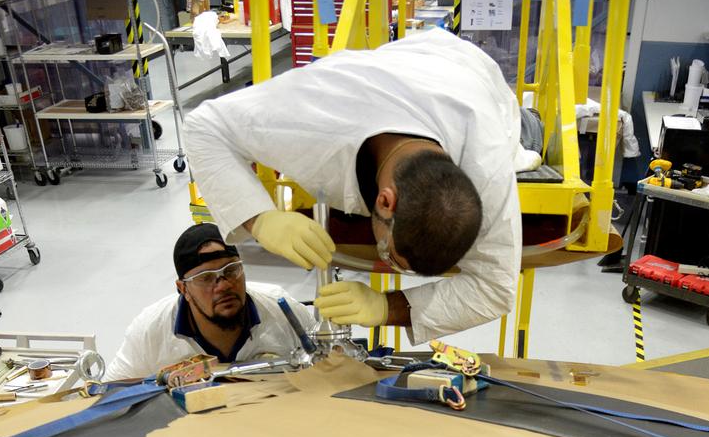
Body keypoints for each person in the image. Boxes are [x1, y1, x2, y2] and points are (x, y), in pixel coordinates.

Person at [185, 29, 539, 347]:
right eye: (389, 254)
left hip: (480, 80)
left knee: (527, 136)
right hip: (409, 58)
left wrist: (386, 307)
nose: (384, 256)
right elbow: (203, 125)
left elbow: (496, 288)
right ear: (386, 201)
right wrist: (259, 219)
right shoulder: (311, 114)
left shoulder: (487, 166)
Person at [105, 223, 316, 381]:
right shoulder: (150, 331)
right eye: (205, 277)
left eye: (231, 270)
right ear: (183, 289)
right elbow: (112, 393)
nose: (223, 285)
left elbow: (328, 368)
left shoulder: (283, 311)